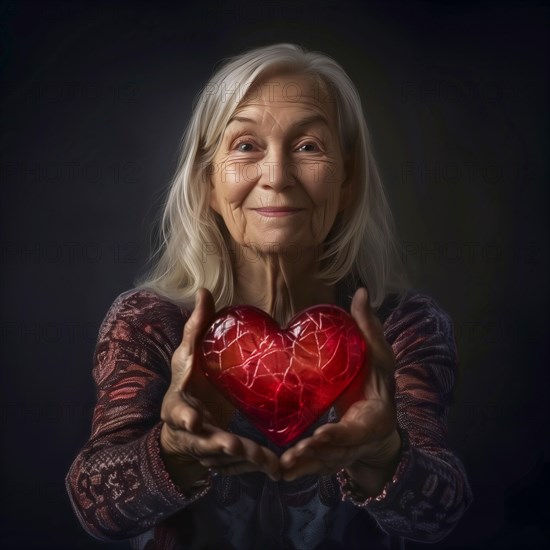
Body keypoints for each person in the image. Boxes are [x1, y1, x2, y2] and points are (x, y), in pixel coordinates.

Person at [66, 43, 472, 549]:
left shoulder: (405, 326)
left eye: (308, 146)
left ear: (346, 181)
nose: (276, 177)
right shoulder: (149, 322)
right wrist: (172, 449)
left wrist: (384, 452)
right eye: (245, 146)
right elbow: (94, 507)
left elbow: (442, 515)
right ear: (207, 182)